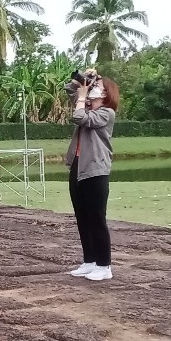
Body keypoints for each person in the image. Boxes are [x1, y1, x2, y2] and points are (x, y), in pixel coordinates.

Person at [65, 74, 118, 281]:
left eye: (98, 86)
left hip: (96, 169)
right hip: (78, 166)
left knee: (96, 218)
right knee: (82, 216)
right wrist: (85, 80)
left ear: (106, 94)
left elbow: (79, 118)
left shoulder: (106, 113)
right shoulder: (86, 107)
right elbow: (70, 89)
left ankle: (104, 265)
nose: (93, 88)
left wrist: (82, 97)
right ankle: (89, 261)